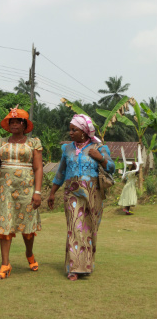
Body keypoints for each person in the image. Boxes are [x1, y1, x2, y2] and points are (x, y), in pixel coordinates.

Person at [47, 114, 115, 281]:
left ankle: (86, 265)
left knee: (90, 227)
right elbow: (61, 172)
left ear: (84, 132)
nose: (70, 132)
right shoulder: (67, 149)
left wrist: (101, 159)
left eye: (74, 129)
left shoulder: (99, 147)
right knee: (75, 227)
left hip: (93, 192)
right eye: (70, 129)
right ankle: (74, 268)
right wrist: (52, 192)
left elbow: (112, 167)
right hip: (72, 191)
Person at [0, 105, 43, 279]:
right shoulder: (0, 143)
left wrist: (37, 192)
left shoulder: (33, 143)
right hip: (4, 189)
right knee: (5, 225)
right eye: (11, 122)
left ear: (24, 124)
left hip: (27, 189)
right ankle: (5, 264)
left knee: (28, 228)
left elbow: (38, 168)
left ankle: (29, 253)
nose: (14, 125)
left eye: (18, 122)